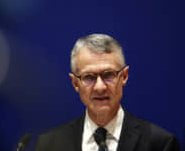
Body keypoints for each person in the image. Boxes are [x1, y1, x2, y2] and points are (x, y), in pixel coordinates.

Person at [35, 33, 180, 151]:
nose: (100, 87)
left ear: (124, 76)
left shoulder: (160, 144)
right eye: (89, 77)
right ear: (75, 83)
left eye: (108, 75)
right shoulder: (49, 145)